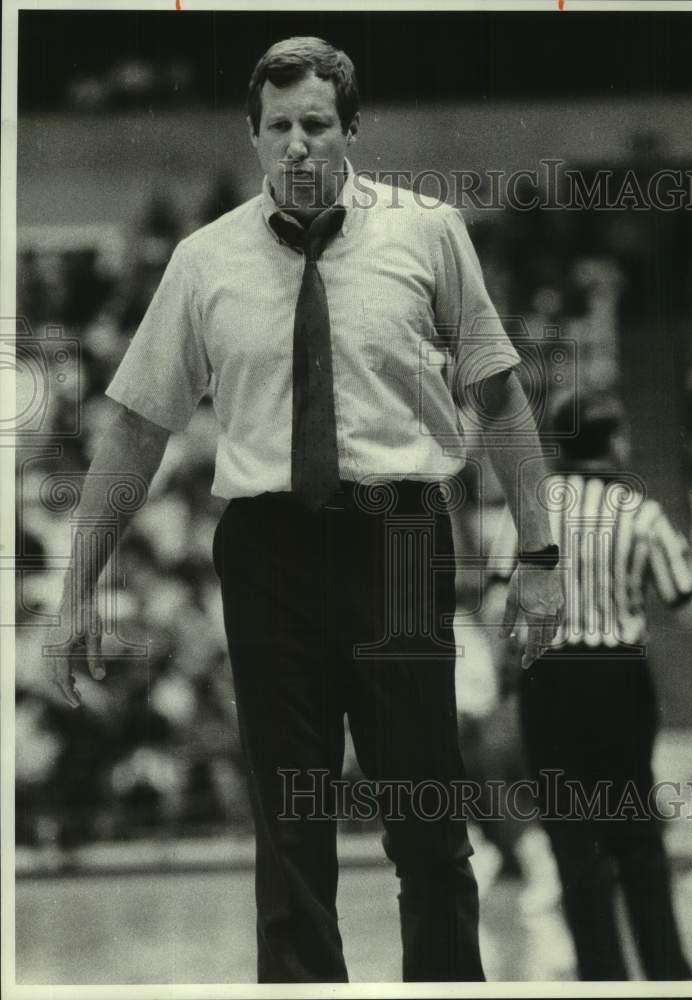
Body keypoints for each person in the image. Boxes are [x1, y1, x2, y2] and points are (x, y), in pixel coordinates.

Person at [50, 36, 563, 983]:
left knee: (428, 821)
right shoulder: (204, 263)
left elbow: (498, 396)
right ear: (252, 135)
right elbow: (132, 432)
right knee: (291, 830)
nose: (297, 146)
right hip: (267, 549)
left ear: (352, 130)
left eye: (316, 125)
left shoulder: (429, 232)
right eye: (277, 127)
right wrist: (77, 585)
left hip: (403, 536)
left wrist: (539, 557)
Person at [487, 389, 692, 980]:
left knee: (572, 838)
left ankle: (602, 975)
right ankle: (667, 971)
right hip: (620, 680)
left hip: (551, 680)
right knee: (636, 830)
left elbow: (496, 601)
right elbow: (686, 600)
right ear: (610, 442)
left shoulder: (529, 508)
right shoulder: (643, 513)